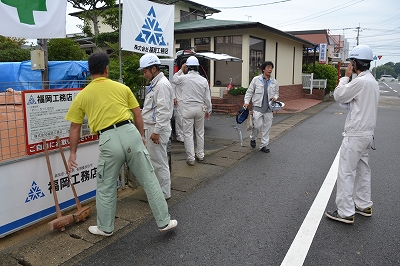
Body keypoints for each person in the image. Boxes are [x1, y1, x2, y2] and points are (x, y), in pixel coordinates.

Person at [65, 52, 177, 236]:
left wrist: (73, 154)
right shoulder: (121, 88)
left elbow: (75, 127)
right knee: (149, 180)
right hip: (130, 132)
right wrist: (140, 135)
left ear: (90, 71)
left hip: (108, 139)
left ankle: (105, 228)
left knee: (106, 186)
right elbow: (137, 114)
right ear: (106, 69)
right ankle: (164, 222)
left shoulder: (82, 96)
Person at [325, 44, 379, 224]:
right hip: (367, 133)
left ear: (355, 63)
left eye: (351, 62)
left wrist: (344, 78)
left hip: (355, 134)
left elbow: (339, 96)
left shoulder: (360, 81)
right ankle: (364, 205)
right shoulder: (372, 82)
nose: (350, 65)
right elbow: (355, 103)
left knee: (346, 172)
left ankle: (345, 212)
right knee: (363, 170)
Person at [139, 53, 174, 200]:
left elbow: (164, 111)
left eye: (145, 71)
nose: (144, 74)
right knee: (156, 161)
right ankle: (160, 192)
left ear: (154, 68)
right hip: (153, 128)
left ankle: (164, 194)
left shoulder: (162, 85)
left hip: (156, 129)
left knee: (159, 163)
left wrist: (157, 131)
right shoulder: (156, 84)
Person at [171, 56, 212, 166]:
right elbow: (207, 98)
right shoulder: (203, 80)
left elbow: (174, 79)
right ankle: (200, 155)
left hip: (187, 108)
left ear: (188, 67)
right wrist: (209, 110)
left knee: (188, 134)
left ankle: (191, 159)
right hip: (200, 108)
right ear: (198, 67)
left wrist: (181, 69)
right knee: (200, 132)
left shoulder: (183, 78)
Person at [243, 61, 279, 153]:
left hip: (269, 109)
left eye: (271, 68)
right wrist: (246, 102)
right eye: (268, 67)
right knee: (257, 126)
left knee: (267, 128)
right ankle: (253, 138)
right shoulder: (256, 79)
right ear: (263, 69)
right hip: (258, 108)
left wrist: (275, 97)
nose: (270, 69)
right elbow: (249, 92)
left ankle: (264, 145)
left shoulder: (274, 82)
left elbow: (276, 93)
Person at [172, 58, 187, 143]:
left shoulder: (188, 75)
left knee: (186, 119)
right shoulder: (178, 75)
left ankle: (185, 135)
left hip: (187, 101)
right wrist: (174, 97)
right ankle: (179, 136)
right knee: (179, 119)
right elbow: (173, 85)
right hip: (179, 100)